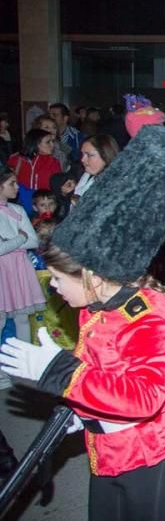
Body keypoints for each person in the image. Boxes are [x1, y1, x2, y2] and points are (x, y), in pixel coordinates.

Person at [0, 125, 165, 520]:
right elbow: (104, 372)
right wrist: (84, 409)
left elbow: (145, 397)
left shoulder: (150, 315)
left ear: (92, 276)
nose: (54, 289)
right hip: (112, 450)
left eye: (60, 280)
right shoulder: (93, 308)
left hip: (160, 451)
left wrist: (60, 373)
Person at [0, 167, 46, 390]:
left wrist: (13, 241)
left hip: (19, 268)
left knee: (22, 318)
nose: (17, 188)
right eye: (12, 184)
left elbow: (33, 241)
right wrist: (18, 239)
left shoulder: (17, 209)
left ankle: (25, 365)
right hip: (2, 271)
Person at [7, 128, 61, 215]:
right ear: (35, 143)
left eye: (52, 141)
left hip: (44, 204)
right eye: (48, 142)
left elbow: (57, 186)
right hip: (21, 200)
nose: (52, 145)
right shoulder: (17, 159)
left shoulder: (53, 162)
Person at [75, 134, 120, 199]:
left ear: (106, 155)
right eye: (82, 154)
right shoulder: (85, 175)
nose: (82, 159)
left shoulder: (114, 186)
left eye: (89, 155)